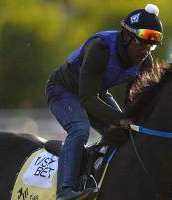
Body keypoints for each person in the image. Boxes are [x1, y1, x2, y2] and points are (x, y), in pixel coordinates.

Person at [45, 3, 163, 200]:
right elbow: (87, 99)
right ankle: (65, 191)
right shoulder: (100, 48)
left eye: (150, 46)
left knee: (124, 133)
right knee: (80, 129)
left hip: (95, 93)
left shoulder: (145, 62)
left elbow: (132, 106)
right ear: (126, 37)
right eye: (141, 44)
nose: (146, 51)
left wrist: (131, 121)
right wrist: (119, 118)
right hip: (62, 90)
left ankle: (81, 159)